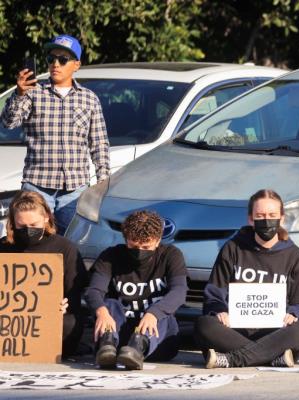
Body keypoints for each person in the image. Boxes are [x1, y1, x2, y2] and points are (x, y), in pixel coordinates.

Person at [0, 34, 110, 234]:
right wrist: (19, 94)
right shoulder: (33, 93)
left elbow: (99, 143)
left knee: (71, 244)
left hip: (75, 189)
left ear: (76, 65)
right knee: (33, 243)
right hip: (37, 187)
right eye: (51, 59)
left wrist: (103, 182)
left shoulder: (89, 99)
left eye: (62, 59)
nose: (55, 64)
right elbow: (8, 122)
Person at [194, 189, 299, 369]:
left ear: (281, 218)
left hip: (276, 332)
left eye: (272, 215)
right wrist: (219, 310)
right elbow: (214, 292)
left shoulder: (294, 255)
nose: (266, 220)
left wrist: (294, 314)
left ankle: (232, 359)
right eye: (260, 215)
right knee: (204, 325)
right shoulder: (232, 248)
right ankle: (272, 358)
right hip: (234, 330)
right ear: (250, 219)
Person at [85, 210, 187, 370]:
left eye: (146, 246)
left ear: (158, 240)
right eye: (133, 245)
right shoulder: (111, 256)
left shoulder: (170, 255)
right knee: (109, 304)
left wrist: (154, 313)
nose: (140, 251)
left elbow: (179, 291)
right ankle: (107, 346)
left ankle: (137, 349)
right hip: (119, 329)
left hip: (156, 335)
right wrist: (101, 312)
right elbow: (94, 290)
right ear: (125, 240)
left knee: (163, 312)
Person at [0, 190, 88, 357]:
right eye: (21, 226)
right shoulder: (3, 247)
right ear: (13, 223)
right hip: (9, 320)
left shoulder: (65, 248)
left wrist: (65, 305)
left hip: (52, 316)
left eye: (34, 225)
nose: (28, 231)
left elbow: (74, 293)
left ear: (46, 217)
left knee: (69, 325)